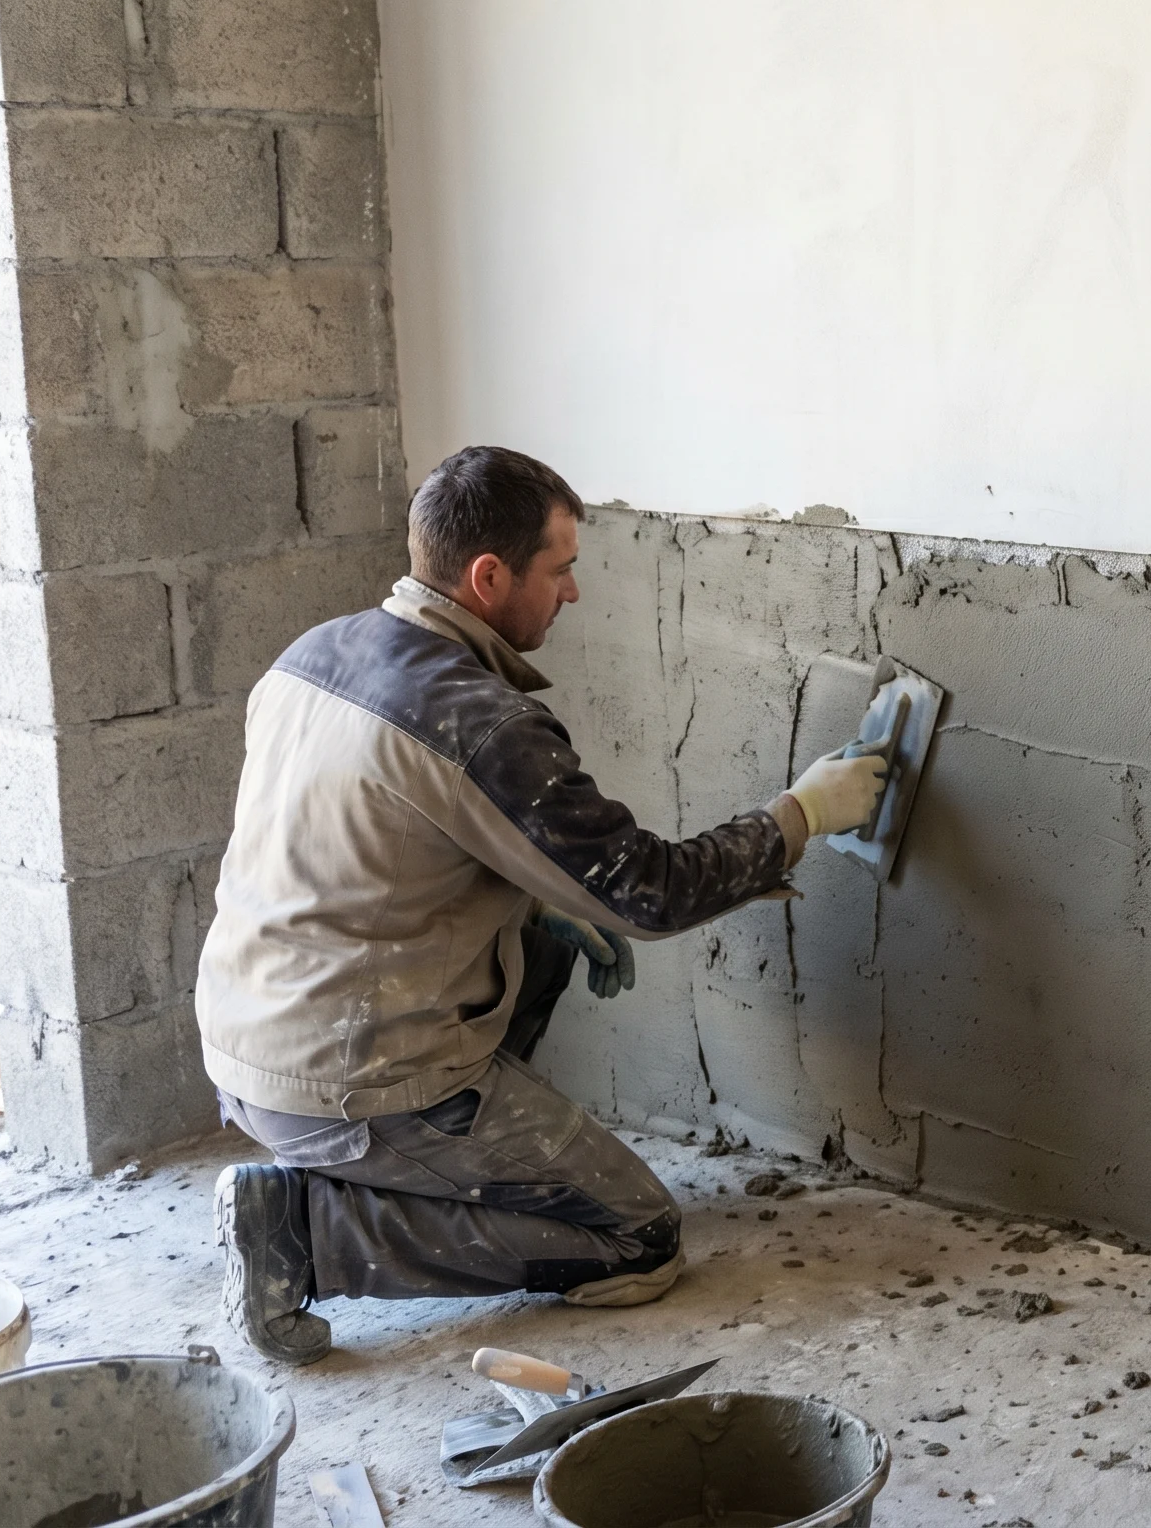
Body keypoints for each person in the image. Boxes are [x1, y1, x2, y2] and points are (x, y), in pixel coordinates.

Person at [195, 446, 888, 1364]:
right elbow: (649, 890)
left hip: (248, 1036)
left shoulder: (314, 653)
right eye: (559, 571)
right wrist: (799, 816)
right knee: (636, 1241)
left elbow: (368, 860)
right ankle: (312, 1230)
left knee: (550, 944)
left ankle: (416, 1170)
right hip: (346, 1076)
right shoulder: (476, 721)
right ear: (489, 577)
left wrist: (533, 912)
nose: (572, 594)